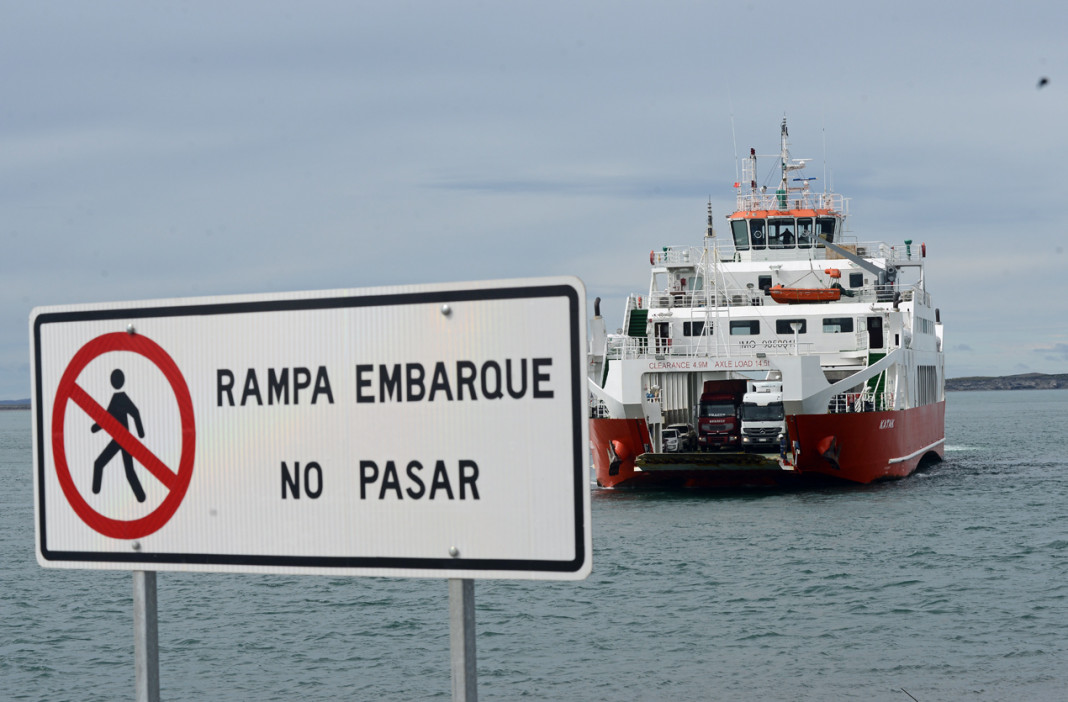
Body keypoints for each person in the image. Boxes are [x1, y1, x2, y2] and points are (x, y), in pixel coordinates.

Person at [91, 369, 147, 502]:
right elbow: (108, 418)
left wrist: (141, 433)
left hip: (123, 439)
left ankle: (141, 497)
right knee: (126, 470)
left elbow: (108, 418)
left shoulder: (119, 398)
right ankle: (141, 497)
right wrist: (140, 433)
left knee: (101, 464)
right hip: (121, 439)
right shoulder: (118, 398)